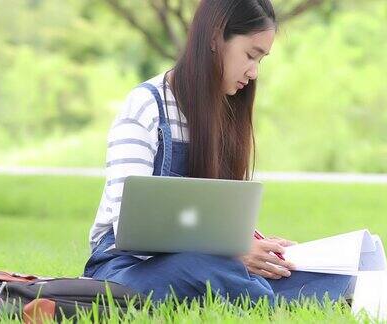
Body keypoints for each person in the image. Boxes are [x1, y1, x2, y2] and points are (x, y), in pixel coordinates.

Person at [83, 0, 354, 305]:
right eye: (251, 55)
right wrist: (234, 252)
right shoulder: (146, 106)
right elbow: (129, 227)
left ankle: (295, 290)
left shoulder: (225, 112)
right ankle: (278, 302)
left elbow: (209, 216)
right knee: (202, 268)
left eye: (260, 61)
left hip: (214, 264)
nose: (253, 73)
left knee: (320, 273)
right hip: (127, 268)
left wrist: (258, 246)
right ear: (215, 38)